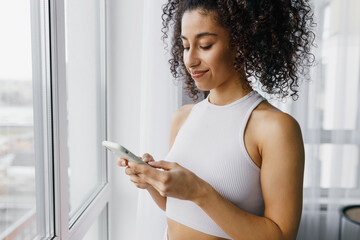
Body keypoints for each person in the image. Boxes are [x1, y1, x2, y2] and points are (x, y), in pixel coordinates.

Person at [118, 0, 315, 239]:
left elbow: (281, 236)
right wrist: (152, 182)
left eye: (205, 45)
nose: (190, 60)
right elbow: (180, 210)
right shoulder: (182, 118)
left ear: (240, 44)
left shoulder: (274, 128)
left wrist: (199, 191)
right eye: (185, 45)